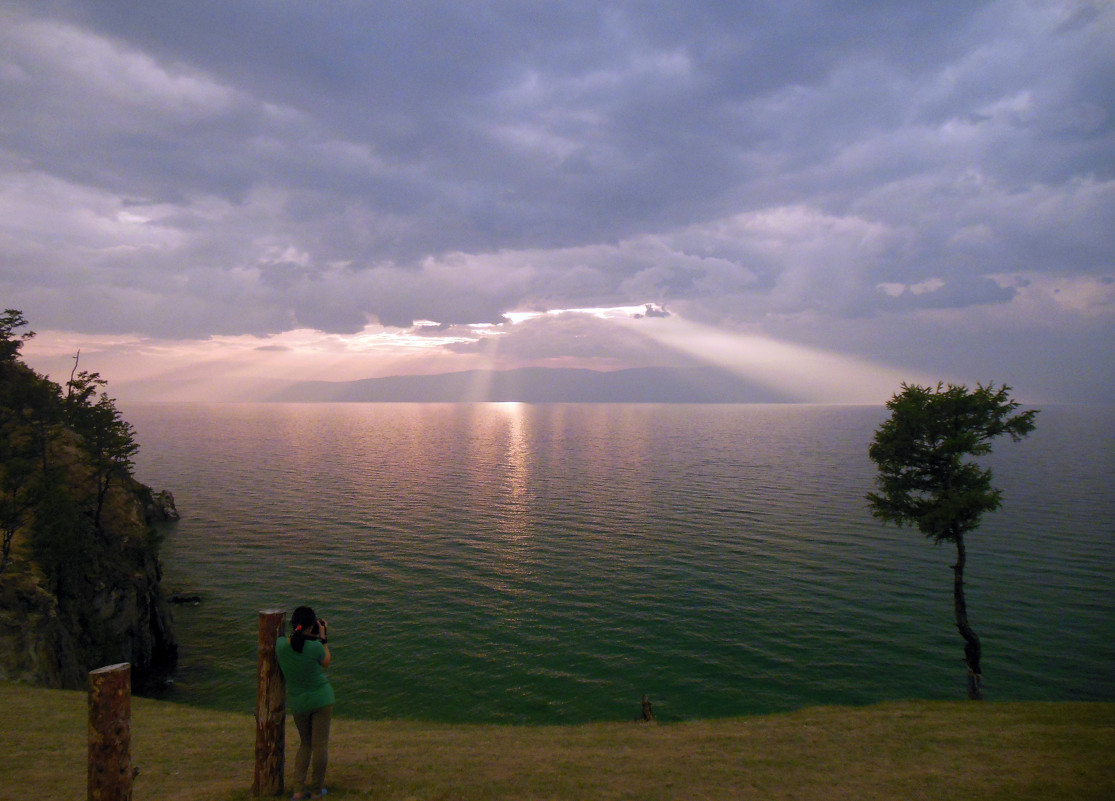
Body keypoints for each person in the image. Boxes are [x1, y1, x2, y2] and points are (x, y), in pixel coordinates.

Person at [276, 605, 335, 800]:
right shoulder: (316, 647)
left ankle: (298, 791)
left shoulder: (280, 646)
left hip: (300, 703)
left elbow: (295, 642)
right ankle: (317, 791)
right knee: (320, 746)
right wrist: (324, 637)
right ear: (312, 627)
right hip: (322, 699)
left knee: (305, 745)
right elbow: (326, 662)